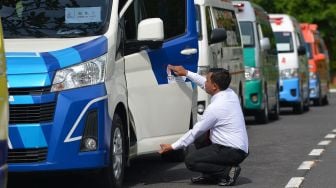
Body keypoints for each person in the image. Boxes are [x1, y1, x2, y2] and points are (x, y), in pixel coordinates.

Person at [159, 65, 249, 186]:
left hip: (232, 151)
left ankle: (227, 172)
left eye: (207, 80)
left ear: (215, 86)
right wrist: (186, 73)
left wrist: (172, 146)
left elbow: (195, 131)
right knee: (201, 139)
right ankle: (210, 176)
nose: (204, 82)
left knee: (191, 161)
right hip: (236, 147)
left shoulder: (216, 108)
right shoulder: (229, 92)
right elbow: (203, 83)